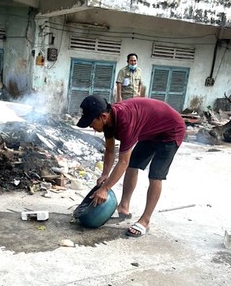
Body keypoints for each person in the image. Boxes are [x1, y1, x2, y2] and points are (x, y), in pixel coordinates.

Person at [76, 95, 186, 237]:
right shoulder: (109, 121)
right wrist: (105, 174)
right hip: (151, 131)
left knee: (155, 175)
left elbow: (122, 162)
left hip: (171, 130)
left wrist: (105, 189)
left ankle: (145, 221)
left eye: (91, 123)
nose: (91, 128)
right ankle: (123, 207)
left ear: (103, 116)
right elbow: (110, 150)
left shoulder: (125, 122)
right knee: (133, 166)